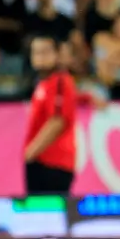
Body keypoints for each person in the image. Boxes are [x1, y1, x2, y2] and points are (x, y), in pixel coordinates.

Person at [24, 35, 77, 196]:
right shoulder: (42, 83)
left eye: (45, 52)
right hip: (41, 160)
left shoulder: (60, 80)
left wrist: (30, 152)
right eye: (36, 52)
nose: (40, 57)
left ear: (56, 54)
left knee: (48, 212)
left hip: (53, 161)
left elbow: (57, 121)